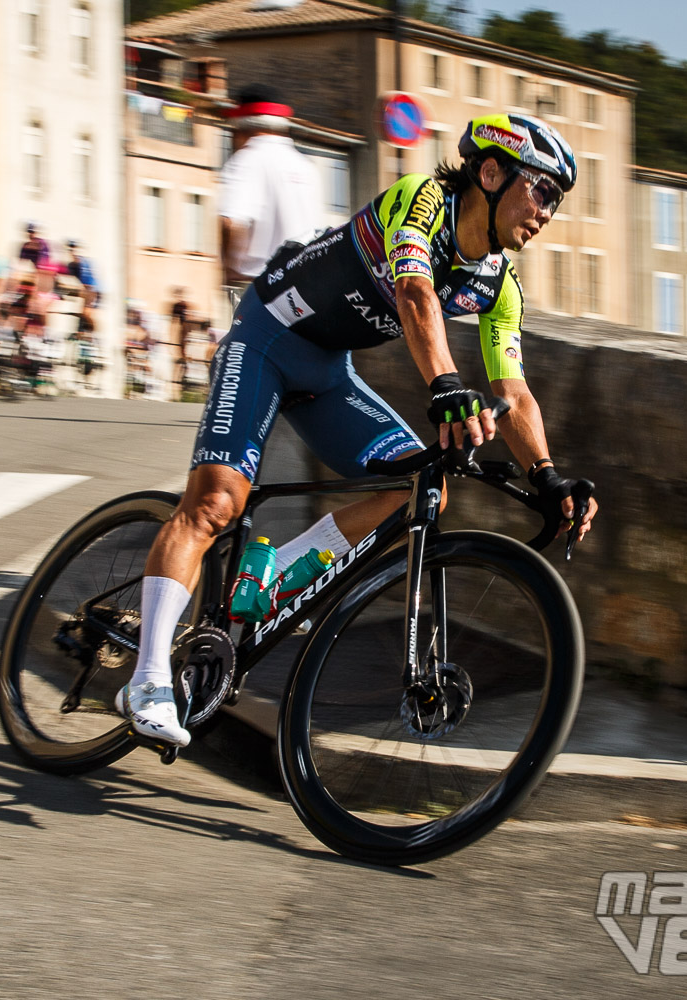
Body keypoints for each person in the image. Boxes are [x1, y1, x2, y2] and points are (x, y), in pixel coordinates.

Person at [114, 113, 601, 746]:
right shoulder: (424, 202)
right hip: (267, 338)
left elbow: (514, 391)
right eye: (542, 191)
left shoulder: (499, 285)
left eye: (557, 200)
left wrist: (548, 476)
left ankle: (276, 574)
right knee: (215, 505)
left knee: (420, 489)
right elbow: (415, 295)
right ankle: (147, 679)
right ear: (490, 172)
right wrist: (448, 387)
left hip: (327, 371)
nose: (547, 212)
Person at [217, 84, 324, 292]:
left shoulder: (247, 160)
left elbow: (230, 222)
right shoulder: (307, 167)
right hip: (304, 285)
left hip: (260, 284)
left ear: (242, 128)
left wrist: (228, 270)